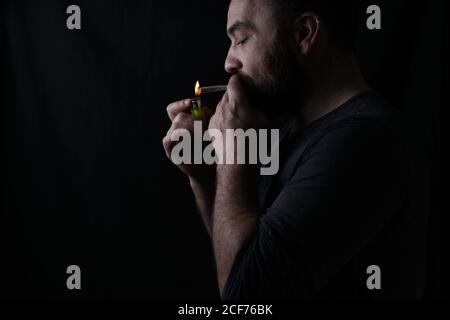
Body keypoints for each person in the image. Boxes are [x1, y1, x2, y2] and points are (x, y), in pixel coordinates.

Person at [162, 0, 427, 299]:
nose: (228, 63)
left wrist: (233, 154)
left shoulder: (365, 140)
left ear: (303, 33)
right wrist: (203, 175)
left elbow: (245, 297)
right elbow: (240, 254)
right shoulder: (292, 130)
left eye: (241, 39)